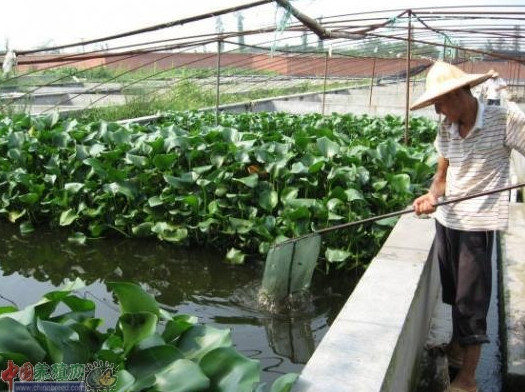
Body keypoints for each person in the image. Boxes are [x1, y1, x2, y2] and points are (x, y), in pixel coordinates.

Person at [410, 61, 525, 392]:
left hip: (477, 224)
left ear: (459, 93)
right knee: (453, 290)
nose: (438, 112)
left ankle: (468, 379)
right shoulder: (447, 127)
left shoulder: (503, 120)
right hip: (448, 220)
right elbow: (441, 180)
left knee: (471, 301)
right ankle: (458, 348)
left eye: (440, 103)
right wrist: (429, 197)